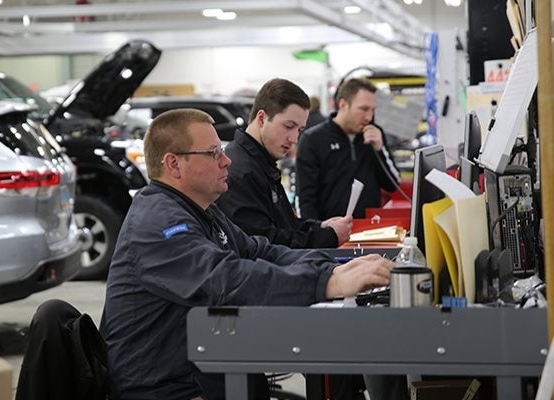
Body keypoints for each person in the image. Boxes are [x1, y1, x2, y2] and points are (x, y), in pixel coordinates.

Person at [104, 108, 395, 400]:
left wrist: (333, 268)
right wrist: (326, 284)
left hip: (204, 370)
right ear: (174, 164)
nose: (226, 159)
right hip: (169, 389)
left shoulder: (200, 210)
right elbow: (225, 280)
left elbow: (260, 252)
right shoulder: (158, 224)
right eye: (213, 152)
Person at [217, 78, 352, 249]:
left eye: (299, 130)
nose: (294, 139)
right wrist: (327, 237)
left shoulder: (261, 163)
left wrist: (320, 227)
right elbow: (263, 243)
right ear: (261, 119)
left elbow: (285, 225)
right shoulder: (239, 171)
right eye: (288, 126)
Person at [296, 78, 401, 220]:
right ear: (343, 104)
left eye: (372, 110)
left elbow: (393, 185)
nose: (369, 117)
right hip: (330, 235)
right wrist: (315, 236)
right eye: (363, 109)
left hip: (370, 231)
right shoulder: (313, 139)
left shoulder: (375, 134)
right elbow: (305, 198)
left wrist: (380, 149)